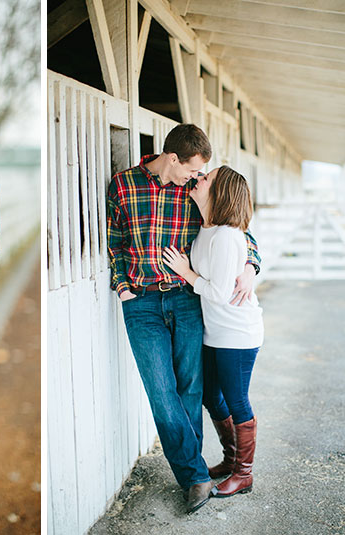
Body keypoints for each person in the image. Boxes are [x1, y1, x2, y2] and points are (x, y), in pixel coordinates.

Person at [106, 123, 260, 514]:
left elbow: (238, 227)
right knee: (162, 393)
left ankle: (196, 474)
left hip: (187, 301)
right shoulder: (123, 185)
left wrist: (250, 263)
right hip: (141, 304)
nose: (197, 177)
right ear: (173, 159)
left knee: (191, 388)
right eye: (193, 169)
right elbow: (115, 240)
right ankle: (194, 475)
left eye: (200, 173)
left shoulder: (194, 191)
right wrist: (122, 283)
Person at [163, 165, 262, 499]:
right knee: (210, 394)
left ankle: (244, 474)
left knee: (236, 400)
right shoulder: (206, 228)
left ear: (219, 192)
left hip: (236, 332)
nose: (199, 178)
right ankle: (232, 459)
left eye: (207, 178)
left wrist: (185, 272)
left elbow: (219, 292)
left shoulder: (225, 236)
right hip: (215, 331)